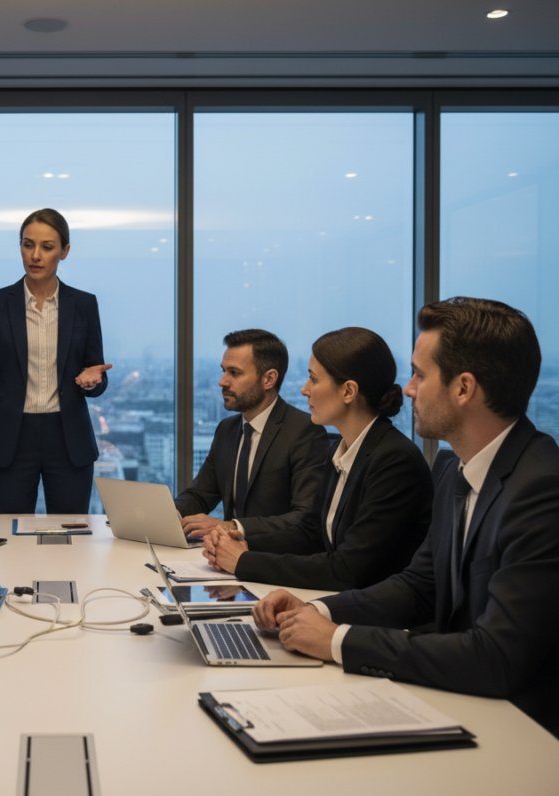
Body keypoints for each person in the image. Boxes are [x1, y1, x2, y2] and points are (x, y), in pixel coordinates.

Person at [253, 298, 559, 737]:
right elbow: (419, 587)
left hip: (522, 734)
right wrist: (315, 610)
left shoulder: (541, 490)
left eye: (420, 374)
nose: (409, 388)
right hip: (459, 700)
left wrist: (336, 640)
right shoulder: (456, 469)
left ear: (464, 388)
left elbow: (496, 657)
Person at [202, 327, 433, 591]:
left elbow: (346, 570)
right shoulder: (345, 450)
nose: (304, 390)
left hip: (374, 619)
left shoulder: (394, 460)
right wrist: (238, 541)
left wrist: (244, 561)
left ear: (348, 392)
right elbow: (309, 533)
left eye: (313, 379)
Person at [0, 208, 111, 514]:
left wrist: (93, 381)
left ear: (64, 252)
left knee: (71, 534)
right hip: (10, 437)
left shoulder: (83, 305)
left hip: (68, 436)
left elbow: (97, 374)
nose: (35, 255)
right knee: (9, 534)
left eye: (47, 247)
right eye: (28, 245)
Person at [175, 329, 329, 539]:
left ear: (269, 379)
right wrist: (171, 515)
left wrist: (232, 527)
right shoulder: (226, 429)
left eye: (234, 373)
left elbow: (305, 516)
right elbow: (200, 495)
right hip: (224, 560)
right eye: (223, 371)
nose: (223, 381)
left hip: (273, 561)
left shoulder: (304, 431)